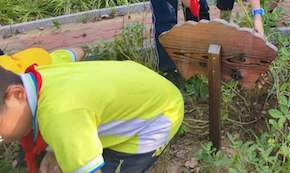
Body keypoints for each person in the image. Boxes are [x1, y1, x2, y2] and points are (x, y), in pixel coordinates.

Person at [0, 60, 184, 173]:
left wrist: (67, 155)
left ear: (17, 94)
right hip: (145, 86)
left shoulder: (60, 116)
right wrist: (55, 152)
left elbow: (66, 121)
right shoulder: (37, 76)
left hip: (160, 114)